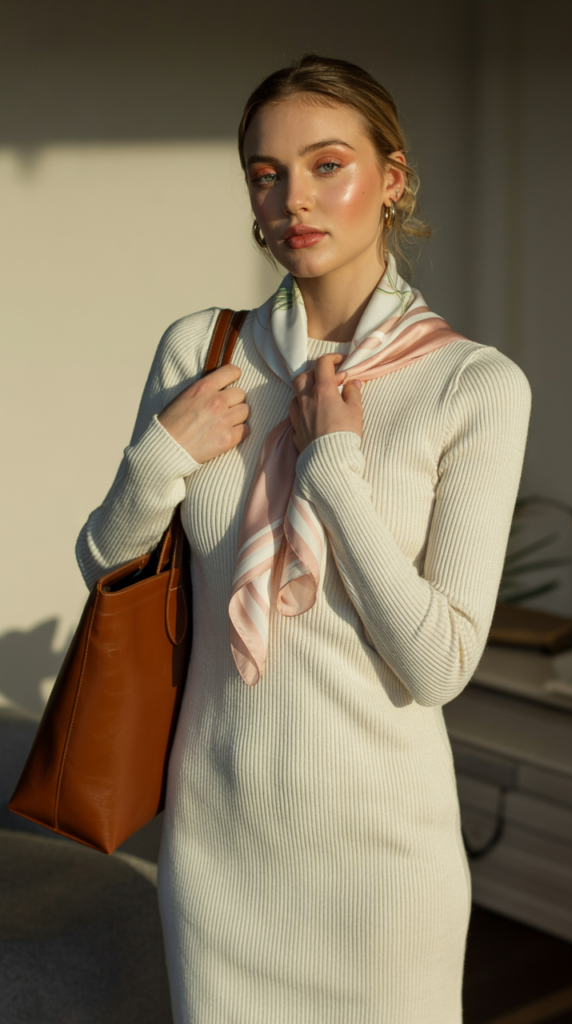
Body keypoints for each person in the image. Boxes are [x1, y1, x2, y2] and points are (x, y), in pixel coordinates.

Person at [77, 53, 530, 1024]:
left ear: (392, 179)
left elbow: (439, 662)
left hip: (381, 866)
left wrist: (333, 472)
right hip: (219, 850)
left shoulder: (474, 385)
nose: (294, 198)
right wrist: (160, 454)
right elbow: (104, 567)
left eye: (328, 165)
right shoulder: (200, 350)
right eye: (265, 172)